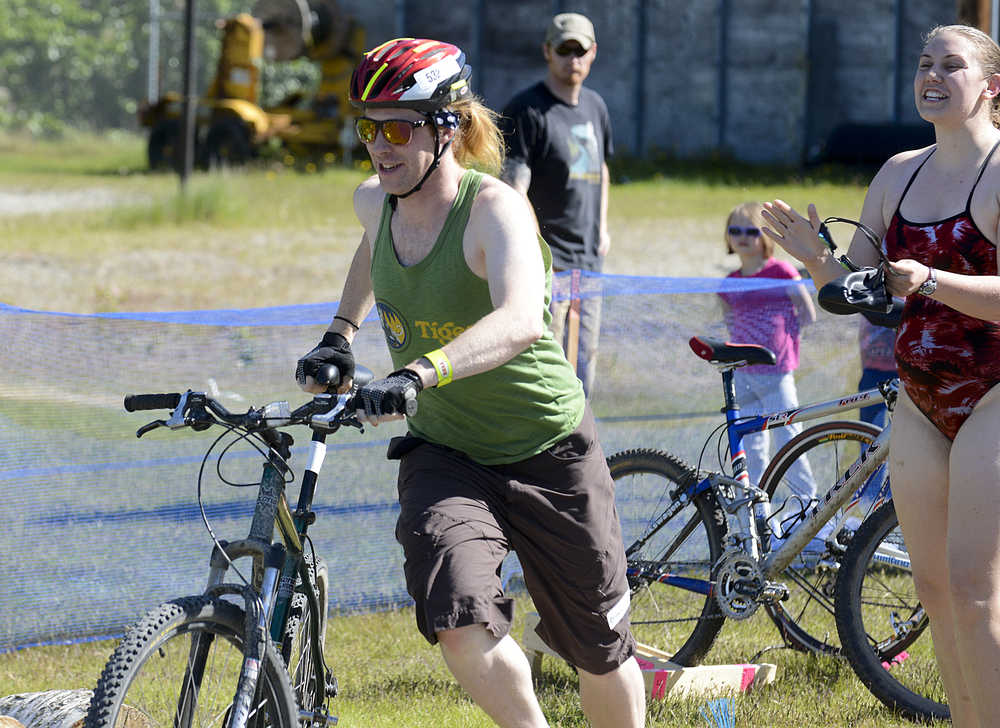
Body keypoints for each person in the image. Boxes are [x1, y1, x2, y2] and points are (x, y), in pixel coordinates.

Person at [295, 38, 645, 728]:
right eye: (369, 127)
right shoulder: (377, 201)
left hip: (548, 449)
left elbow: (520, 320)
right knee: (458, 617)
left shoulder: (494, 211)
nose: (380, 146)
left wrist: (419, 372)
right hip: (447, 453)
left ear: (447, 125)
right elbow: (374, 249)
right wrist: (340, 332)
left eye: (399, 127)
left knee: (598, 648)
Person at [761, 25, 1000, 727]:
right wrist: (818, 263)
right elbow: (863, 289)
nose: (932, 74)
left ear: (991, 86)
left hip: (993, 393)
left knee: (973, 588)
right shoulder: (898, 173)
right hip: (921, 399)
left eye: (951, 65)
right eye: (924, 62)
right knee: (932, 590)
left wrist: (930, 278)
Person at [499, 12, 612, 397]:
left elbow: (602, 168)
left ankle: (579, 448)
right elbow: (513, 187)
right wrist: (536, 252)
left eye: (580, 50)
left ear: (593, 53)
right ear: (547, 51)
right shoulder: (526, 109)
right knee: (548, 371)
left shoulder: (595, 106)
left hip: (589, 263)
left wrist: (603, 229)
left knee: (584, 366)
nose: (572, 59)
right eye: (563, 50)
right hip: (550, 265)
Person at [717, 202, 817, 507]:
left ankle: (807, 510)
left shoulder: (782, 272)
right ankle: (757, 514)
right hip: (744, 374)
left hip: (777, 373)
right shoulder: (728, 284)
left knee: (789, 438)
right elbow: (729, 321)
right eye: (736, 231)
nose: (743, 237)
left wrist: (786, 339)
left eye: (751, 231)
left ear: (764, 238)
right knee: (751, 446)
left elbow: (807, 312)